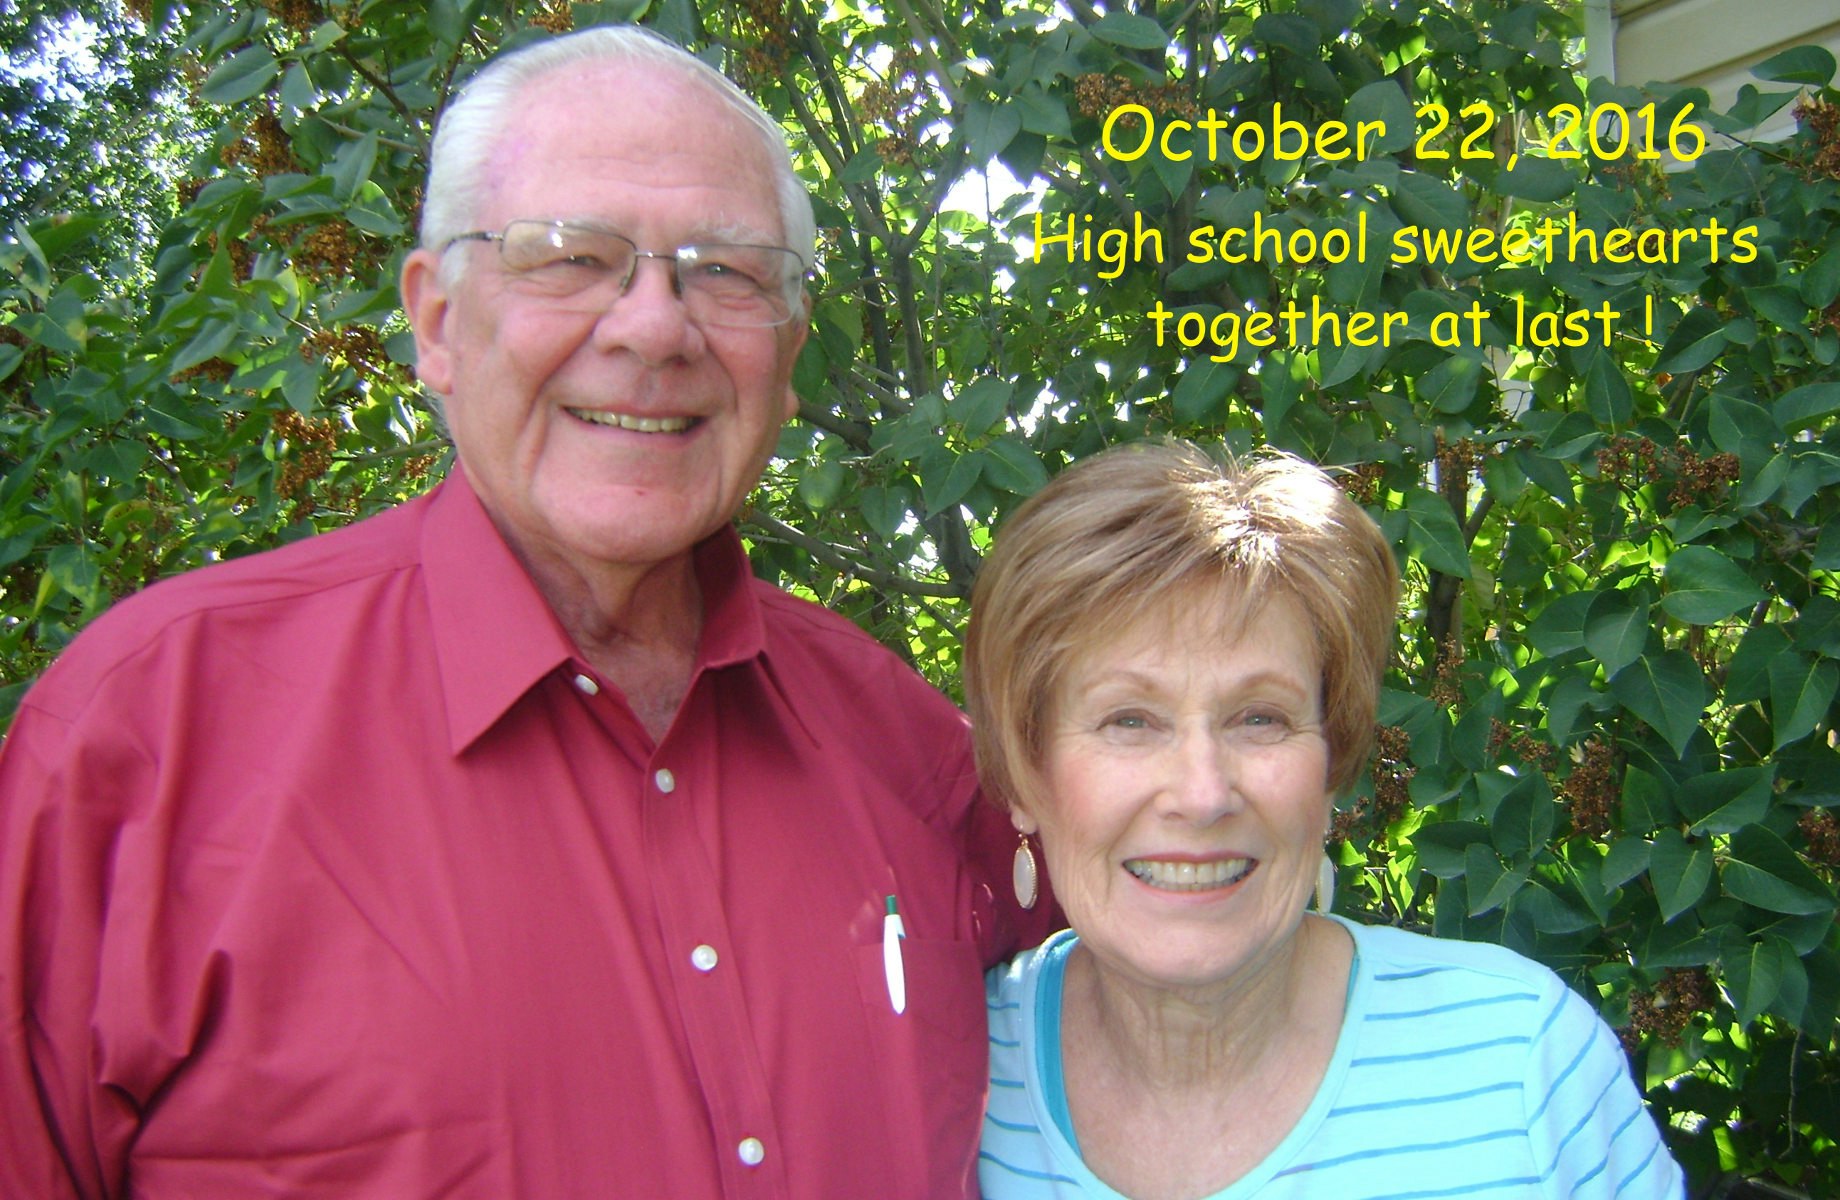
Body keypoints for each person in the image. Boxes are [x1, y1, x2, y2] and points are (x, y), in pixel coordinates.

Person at [0, 27, 1050, 1199]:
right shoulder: (148, 737)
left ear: (789, 351)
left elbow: (1167, 1005)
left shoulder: (905, 747)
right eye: (569, 257)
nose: (653, 327)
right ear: (436, 323)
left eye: (726, 272)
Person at [963, 440, 1684, 1199]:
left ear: (1332, 763)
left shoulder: (1525, 1067)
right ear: (1024, 774)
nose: (1203, 795)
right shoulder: (950, 1069)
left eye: (1260, 718)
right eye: (1129, 721)